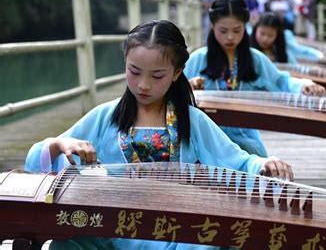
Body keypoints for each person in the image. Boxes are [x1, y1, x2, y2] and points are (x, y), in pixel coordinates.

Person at [24, 20, 294, 250]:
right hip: (114, 228)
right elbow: (38, 160)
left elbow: (237, 161)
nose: (143, 84)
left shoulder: (192, 120)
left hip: (173, 231)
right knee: (65, 242)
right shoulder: (104, 116)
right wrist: (60, 144)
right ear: (125, 64)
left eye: (157, 75)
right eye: (134, 71)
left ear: (177, 73)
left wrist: (264, 165)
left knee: (210, 238)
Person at [185, 0, 325, 158]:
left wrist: (303, 84)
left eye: (237, 30)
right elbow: (171, 89)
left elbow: (280, 80)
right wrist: (188, 86)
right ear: (212, 27)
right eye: (223, 31)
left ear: (245, 27)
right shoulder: (197, 59)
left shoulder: (254, 59)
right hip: (205, 136)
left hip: (243, 135)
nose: (230, 37)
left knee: (260, 164)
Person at [250, 12, 324, 63]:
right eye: (262, 33)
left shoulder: (284, 45)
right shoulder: (247, 45)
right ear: (256, 29)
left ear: (277, 35)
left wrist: (319, 56)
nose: (265, 39)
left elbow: (300, 50)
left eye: (270, 36)